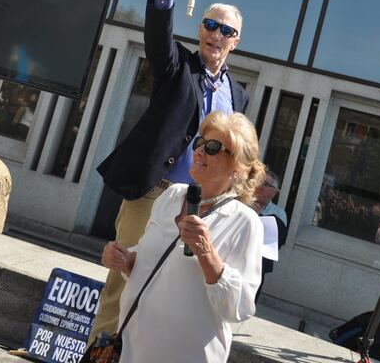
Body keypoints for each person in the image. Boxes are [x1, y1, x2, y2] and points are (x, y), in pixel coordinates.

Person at [90, 0, 248, 343]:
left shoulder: (239, 95)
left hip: (199, 209)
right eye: (210, 25)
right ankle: (101, 354)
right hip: (152, 195)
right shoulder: (179, 67)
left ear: (235, 41)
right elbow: (159, 39)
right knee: (120, 284)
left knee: (171, 294)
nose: (216, 34)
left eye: (225, 29)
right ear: (200, 30)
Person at [100, 111, 265, 363]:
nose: (200, 151)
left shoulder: (244, 222)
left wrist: (206, 252)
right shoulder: (171, 196)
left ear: (238, 167)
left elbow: (239, 307)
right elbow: (150, 265)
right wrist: (125, 259)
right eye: (200, 143)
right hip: (133, 349)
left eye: (213, 148)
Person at [252, 169, 287, 300]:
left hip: (258, 266)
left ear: (274, 192)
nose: (260, 186)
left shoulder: (279, 214)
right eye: (259, 181)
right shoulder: (242, 202)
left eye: (266, 184)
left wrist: (257, 217)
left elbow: (277, 241)